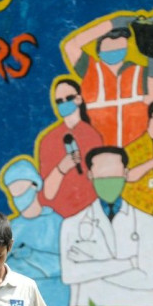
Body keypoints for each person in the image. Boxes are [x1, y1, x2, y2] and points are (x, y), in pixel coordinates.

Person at [60, 147, 153, 306]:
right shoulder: (72, 224)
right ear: (90, 176)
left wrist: (95, 260)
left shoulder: (147, 223)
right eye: (102, 176)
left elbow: (151, 278)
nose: (108, 181)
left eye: (114, 175)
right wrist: (130, 263)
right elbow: (70, 274)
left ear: (126, 174)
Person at [62, 15, 153, 147]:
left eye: (120, 44)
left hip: (135, 150)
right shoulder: (89, 69)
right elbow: (70, 45)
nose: (115, 48)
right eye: (110, 43)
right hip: (99, 152)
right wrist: (111, 24)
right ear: (99, 48)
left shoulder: (140, 72)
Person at [1, 157, 69, 306]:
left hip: (53, 299)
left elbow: (68, 264)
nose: (18, 195)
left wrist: (31, 256)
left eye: (21, 188)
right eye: (13, 190)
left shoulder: (57, 223)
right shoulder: (10, 227)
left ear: (35, 185)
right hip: (16, 299)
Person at [36, 77, 104, 218]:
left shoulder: (93, 137)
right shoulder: (48, 140)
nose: (64, 103)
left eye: (68, 98)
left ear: (79, 99)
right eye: (59, 101)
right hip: (58, 216)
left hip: (89, 213)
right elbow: (47, 193)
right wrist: (61, 168)